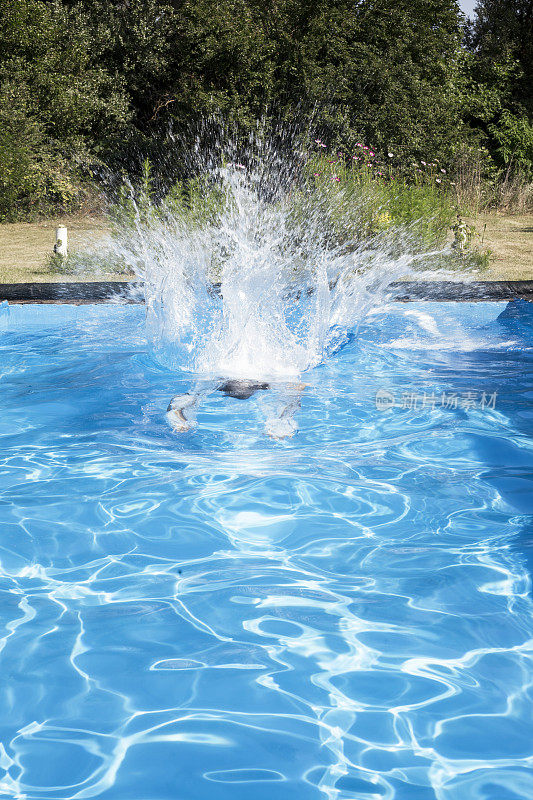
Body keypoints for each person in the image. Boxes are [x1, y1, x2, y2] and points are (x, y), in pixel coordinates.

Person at [167, 378, 306, 439]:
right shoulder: (217, 379)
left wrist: (180, 421)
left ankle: (283, 420)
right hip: (233, 380)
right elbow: (296, 391)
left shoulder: (216, 380)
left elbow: (185, 399)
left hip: (242, 380)